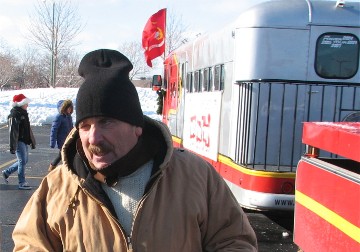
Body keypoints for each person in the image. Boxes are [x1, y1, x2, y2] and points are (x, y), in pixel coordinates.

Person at [12, 49, 258, 251]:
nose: (93, 137)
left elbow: (233, 241)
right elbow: (29, 244)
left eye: (107, 122)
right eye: (85, 126)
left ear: (136, 127)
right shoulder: (57, 186)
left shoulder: (195, 176)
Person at [2, 94, 36, 190]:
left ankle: (7, 172)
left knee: (24, 161)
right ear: (21, 104)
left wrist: (31, 140)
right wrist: (13, 146)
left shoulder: (23, 113)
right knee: (22, 161)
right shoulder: (14, 115)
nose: (27, 105)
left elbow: (27, 129)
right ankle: (22, 182)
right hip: (18, 141)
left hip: (24, 141)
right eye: (26, 103)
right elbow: (13, 132)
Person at [48, 99, 74, 171]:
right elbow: (54, 130)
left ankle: (52, 167)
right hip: (62, 141)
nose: (70, 109)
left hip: (68, 140)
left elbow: (71, 128)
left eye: (71, 108)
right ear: (65, 108)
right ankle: (63, 169)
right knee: (63, 155)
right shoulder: (59, 117)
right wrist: (52, 143)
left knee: (62, 155)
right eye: (69, 108)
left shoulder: (69, 117)